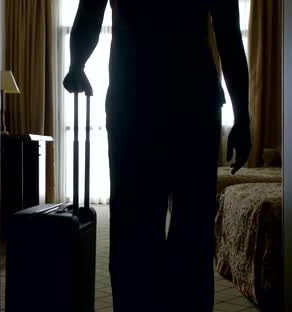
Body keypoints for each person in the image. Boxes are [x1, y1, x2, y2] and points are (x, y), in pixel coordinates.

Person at [63, 0, 251, 311]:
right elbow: (228, 35)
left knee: (133, 230)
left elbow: (90, 12)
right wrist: (242, 116)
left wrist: (77, 64)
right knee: (191, 233)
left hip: (134, 101)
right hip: (191, 103)